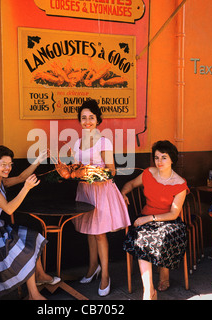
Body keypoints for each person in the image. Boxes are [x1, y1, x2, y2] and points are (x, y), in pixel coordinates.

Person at [0, 145, 60, 300]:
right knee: (24, 248)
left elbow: (21, 177)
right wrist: (26, 188)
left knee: (32, 236)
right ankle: (34, 294)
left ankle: (40, 277)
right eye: (3, 164)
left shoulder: (0, 181)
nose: (8, 168)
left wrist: (38, 161)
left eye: (10, 165)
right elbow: (9, 209)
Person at [70, 99, 131, 297]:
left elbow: (112, 170)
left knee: (99, 233)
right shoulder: (77, 143)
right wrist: (74, 171)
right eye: (83, 118)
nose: (87, 121)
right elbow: (75, 169)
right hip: (85, 190)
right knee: (89, 231)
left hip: (102, 191)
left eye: (91, 118)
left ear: (97, 120)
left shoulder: (104, 141)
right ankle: (93, 267)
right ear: (79, 121)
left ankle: (105, 275)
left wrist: (95, 173)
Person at [122, 140, 188, 300]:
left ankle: (164, 272)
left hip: (169, 221)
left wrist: (148, 219)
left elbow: (173, 213)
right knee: (142, 238)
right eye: (157, 157)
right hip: (146, 219)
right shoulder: (148, 173)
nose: (159, 161)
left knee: (162, 237)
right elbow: (130, 184)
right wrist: (124, 193)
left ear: (172, 159)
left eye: (164, 157)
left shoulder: (180, 184)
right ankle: (149, 290)